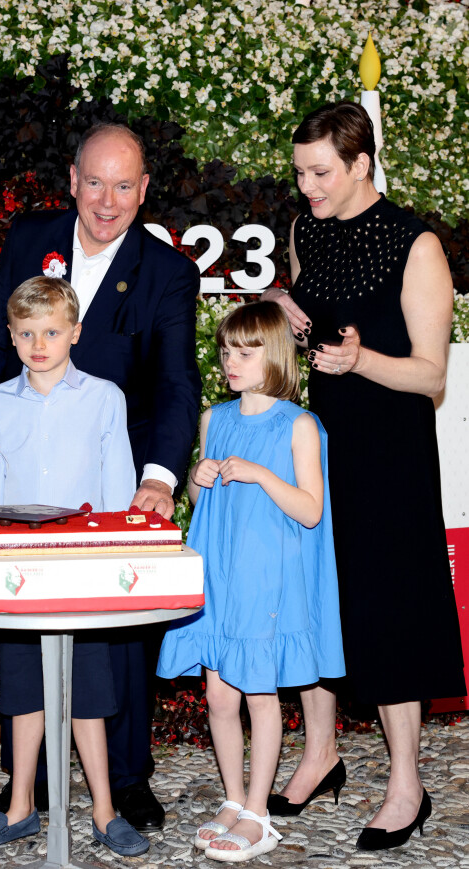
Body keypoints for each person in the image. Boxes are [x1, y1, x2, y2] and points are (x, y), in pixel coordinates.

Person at [0, 123, 201, 831]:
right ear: (72, 180)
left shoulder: (167, 272)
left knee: (114, 639)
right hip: (25, 477)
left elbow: (176, 384)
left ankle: (125, 783)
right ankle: (24, 789)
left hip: (111, 479)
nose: (107, 200)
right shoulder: (27, 236)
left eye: (123, 185)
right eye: (94, 182)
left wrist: (158, 477)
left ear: (144, 191)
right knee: (21, 626)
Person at [263, 100, 466, 851]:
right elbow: (311, 309)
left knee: (388, 610)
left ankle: (408, 782)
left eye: (320, 173)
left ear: (360, 165)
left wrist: (361, 361)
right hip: (318, 441)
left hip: (389, 450)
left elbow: (432, 373)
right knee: (316, 597)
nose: (307, 186)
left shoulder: (416, 246)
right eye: (299, 173)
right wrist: (289, 307)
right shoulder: (305, 228)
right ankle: (322, 751)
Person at [0, 277, 148, 857]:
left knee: (88, 695)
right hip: (18, 571)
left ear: (74, 333)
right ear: (12, 338)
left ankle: (104, 811)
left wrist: (120, 555)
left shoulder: (103, 397)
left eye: (50, 332)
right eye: (26, 334)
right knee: (23, 693)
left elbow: (117, 484)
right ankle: (19, 808)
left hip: (81, 567)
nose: (39, 344)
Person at [157, 302, 345, 862]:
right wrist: (198, 477)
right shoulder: (215, 418)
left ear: (277, 354)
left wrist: (262, 474)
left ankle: (260, 813)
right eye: (226, 351)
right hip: (219, 573)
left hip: (267, 580)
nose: (231, 361)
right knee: (218, 695)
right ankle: (235, 801)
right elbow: (200, 502)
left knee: (260, 695)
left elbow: (311, 510)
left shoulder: (301, 425)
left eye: (245, 351)